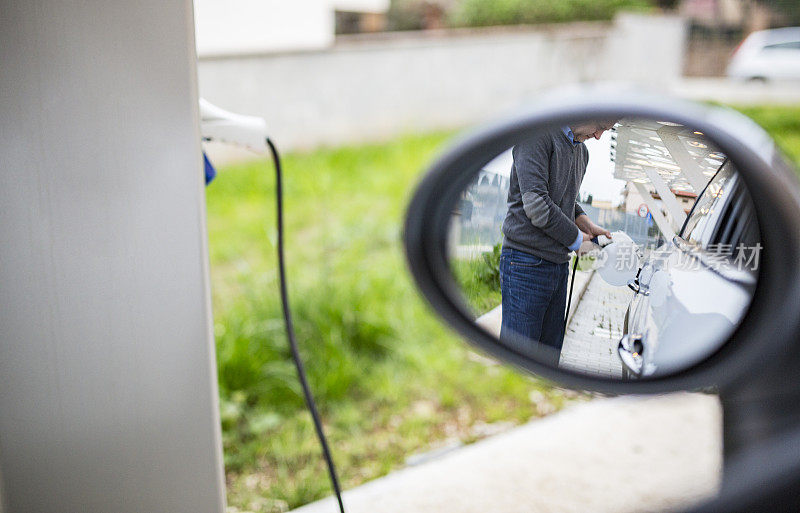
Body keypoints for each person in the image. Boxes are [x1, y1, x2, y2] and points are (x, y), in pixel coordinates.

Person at [498, 121, 616, 364]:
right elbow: (538, 206)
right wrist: (576, 241)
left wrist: (585, 223)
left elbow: (564, 200)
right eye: (601, 126)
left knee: (547, 361)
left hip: (558, 266)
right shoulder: (536, 135)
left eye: (607, 130)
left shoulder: (581, 151)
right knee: (519, 362)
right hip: (525, 265)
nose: (599, 136)